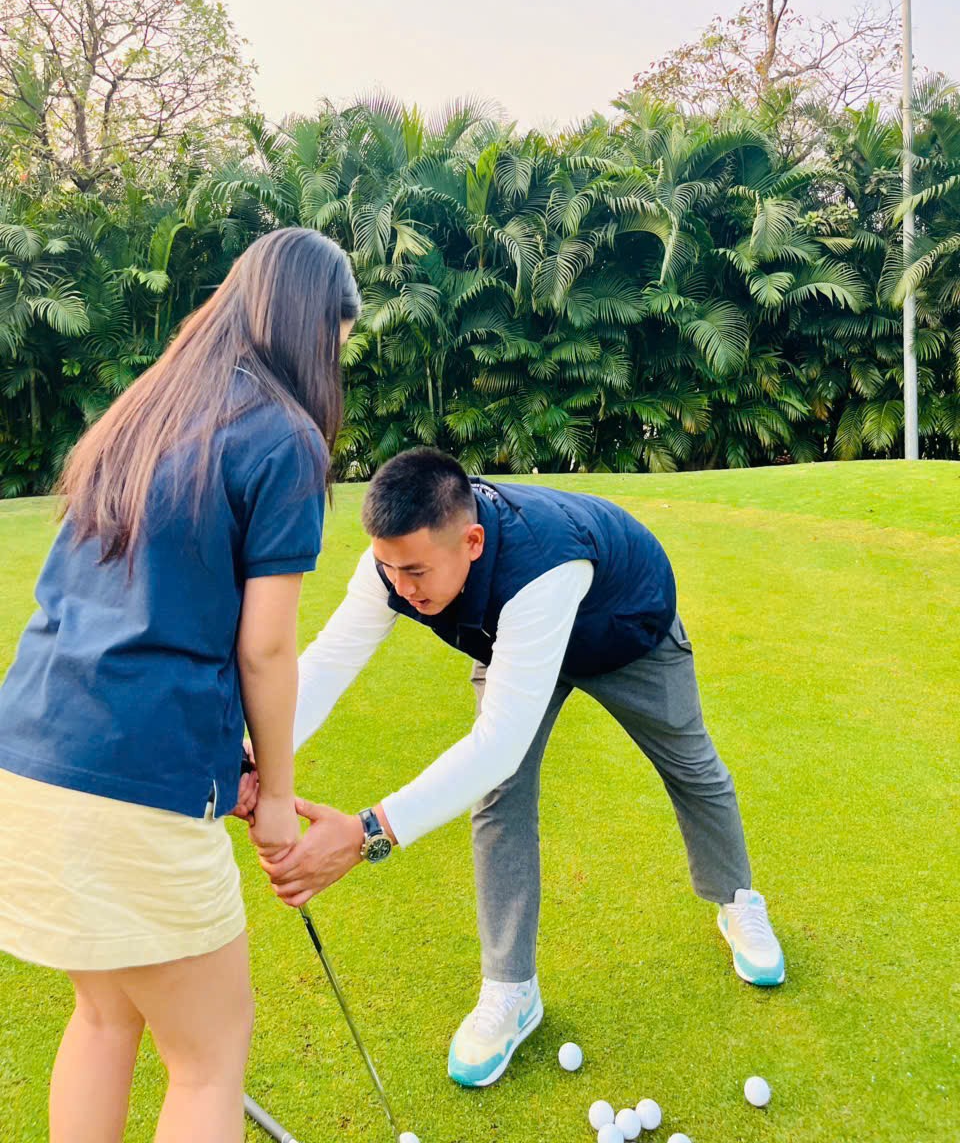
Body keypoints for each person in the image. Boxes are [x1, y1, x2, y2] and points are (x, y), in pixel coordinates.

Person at [262, 447, 786, 1089]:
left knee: (692, 768)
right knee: (499, 799)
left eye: (416, 571)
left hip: (625, 629)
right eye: (389, 568)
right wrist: (257, 753)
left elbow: (498, 743)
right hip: (511, 642)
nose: (401, 587)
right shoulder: (393, 566)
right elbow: (327, 664)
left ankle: (737, 900)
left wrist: (367, 832)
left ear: (472, 542)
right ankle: (511, 990)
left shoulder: (542, 565)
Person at [0, 228, 360, 1142]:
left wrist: (224, 760)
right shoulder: (285, 437)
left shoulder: (144, 411)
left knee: (104, 1018)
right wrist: (276, 801)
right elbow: (265, 650)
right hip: (131, 784)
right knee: (208, 1059)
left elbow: (139, 611)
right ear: (313, 326)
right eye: (339, 342)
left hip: (30, 758)